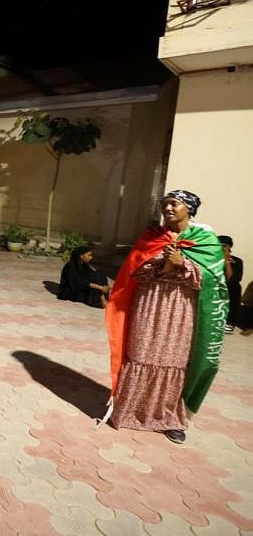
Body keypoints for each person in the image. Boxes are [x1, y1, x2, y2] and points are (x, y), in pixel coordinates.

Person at [103, 190, 227, 444]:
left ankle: (170, 419)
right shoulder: (152, 237)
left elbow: (214, 281)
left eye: (175, 204)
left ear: (189, 209)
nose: (168, 208)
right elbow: (134, 272)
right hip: (149, 304)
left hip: (181, 310)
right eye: (165, 204)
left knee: (175, 360)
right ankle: (129, 411)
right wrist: (163, 265)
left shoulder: (206, 240)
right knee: (140, 354)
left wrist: (183, 264)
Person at [217, 235, 244, 333]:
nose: (222, 248)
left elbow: (232, 279)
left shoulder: (237, 261)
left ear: (230, 248)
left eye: (225, 246)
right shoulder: (210, 258)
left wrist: (226, 261)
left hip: (229, 287)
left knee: (235, 287)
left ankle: (230, 322)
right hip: (214, 285)